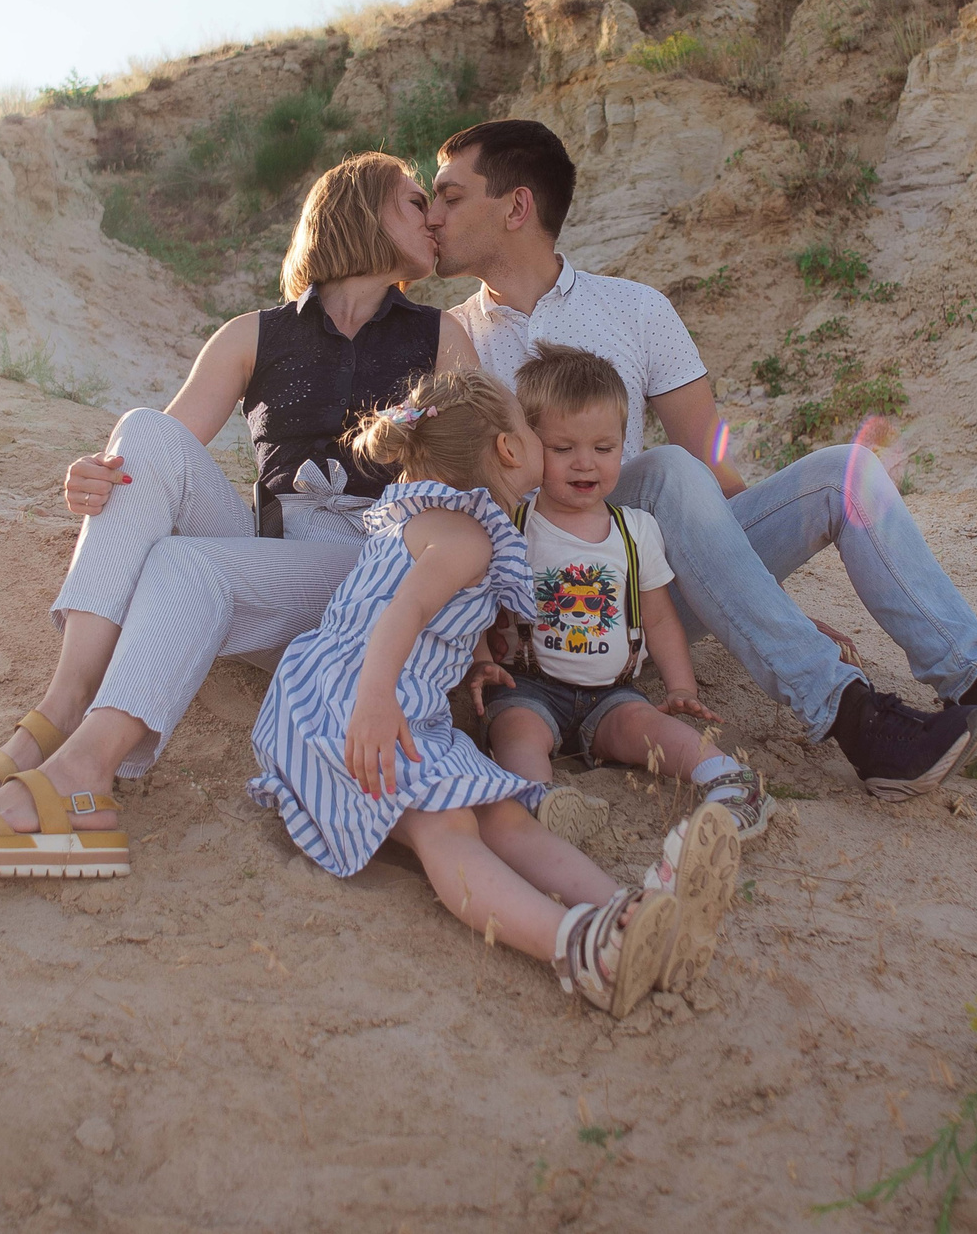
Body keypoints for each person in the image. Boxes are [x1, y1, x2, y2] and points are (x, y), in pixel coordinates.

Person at [425, 118, 977, 796]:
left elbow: (713, 464)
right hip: (549, 604)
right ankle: (850, 716)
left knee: (847, 473)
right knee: (669, 474)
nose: (434, 215)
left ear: (516, 207)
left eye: (450, 197)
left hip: (654, 591)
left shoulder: (637, 309)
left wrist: (769, 595)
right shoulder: (451, 337)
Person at [0, 152, 475, 878]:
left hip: (371, 570)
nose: (432, 218)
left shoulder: (440, 336)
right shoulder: (254, 333)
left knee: (185, 560)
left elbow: (475, 483)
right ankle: (60, 707)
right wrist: (99, 477)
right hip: (271, 566)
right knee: (141, 433)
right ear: (361, 210)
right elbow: (163, 457)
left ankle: (82, 779)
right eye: (414, 200)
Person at [244, 369, 743, 1017]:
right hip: (354, 706)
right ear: (511, 450)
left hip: (389, 701)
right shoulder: (465, 538)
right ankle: (576, 945)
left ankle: (627, 915)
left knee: (501, 813)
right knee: (446, 825)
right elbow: (400, 614)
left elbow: (432, 616)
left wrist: (466, 661)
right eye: (535, 434)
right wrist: (372, 701)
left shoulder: (438, 513)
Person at [467, 341, 773, 842]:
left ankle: (729, 782)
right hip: (528, 684)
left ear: (624, 444)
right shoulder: (513, 524)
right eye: (563, 449)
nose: (584, 464)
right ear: (527, 445)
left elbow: (658, 618)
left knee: (649, 729)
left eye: (603, 449)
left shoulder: (636, 532)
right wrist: (482, 657)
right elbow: (478, 599)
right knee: (516, 732)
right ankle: (539, 803)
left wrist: (680, 687)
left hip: (613, 693)